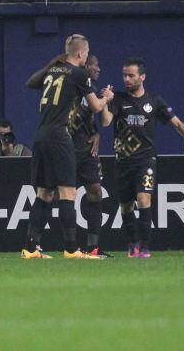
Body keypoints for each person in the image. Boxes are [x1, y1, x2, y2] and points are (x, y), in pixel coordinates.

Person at [21, 34, 113, 259]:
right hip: (60, 137)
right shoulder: (80, 74)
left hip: (41, 135)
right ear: (81, 53)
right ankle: (71, 248)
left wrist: (52, 64)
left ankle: (30, 248)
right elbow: (95, 106)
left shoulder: (53, 71)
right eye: (87, 53)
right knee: (68, 191)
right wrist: (108, 98)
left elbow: (31, 83)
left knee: (44, 192)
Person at [101, 57, 184, 258]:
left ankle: (144, 246)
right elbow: (106, 122)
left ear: (142, 77)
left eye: (131, 75)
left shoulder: (154, 101)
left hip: (146, 159)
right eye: (124, 75)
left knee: (144, 198)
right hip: (123, 161)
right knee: (126, 205)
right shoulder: (118, 99)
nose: (127, 79)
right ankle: (133, 242)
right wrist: (104, 102)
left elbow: (177, 123)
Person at [68, 55, 111, 258]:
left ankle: (92, 247)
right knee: (58, 195)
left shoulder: (92, 88)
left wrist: (96, 133)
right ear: (86, 66)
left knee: (95, 191)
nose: (99, 69)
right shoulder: (72, 85)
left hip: (86, 150)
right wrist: (104, 101)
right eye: (96, 65)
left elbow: (102, 121)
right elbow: (83, 111)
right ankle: (67, 247)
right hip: (67, 148)